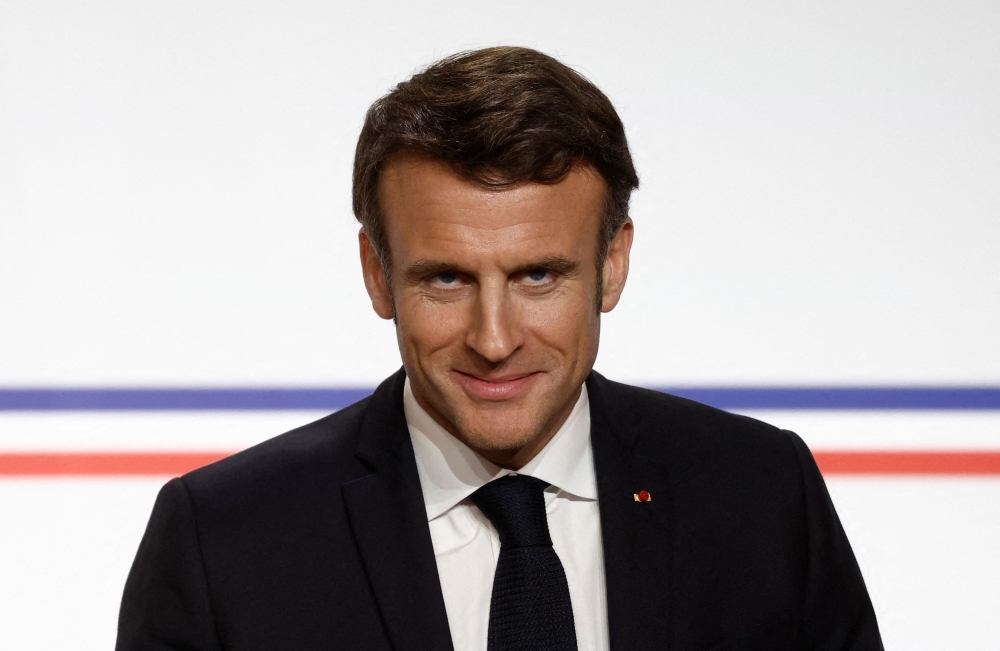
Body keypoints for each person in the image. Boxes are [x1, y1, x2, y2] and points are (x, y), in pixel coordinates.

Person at [117, 46, 883, 651]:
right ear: (377, 274)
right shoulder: (225, 540)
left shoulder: (760, 496)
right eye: (446, 278)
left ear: (612, 263)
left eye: (538, 275)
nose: (494, 338)